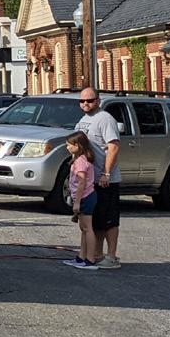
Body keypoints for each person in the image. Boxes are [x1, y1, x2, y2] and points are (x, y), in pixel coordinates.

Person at [77, 87, 121, 269]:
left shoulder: (105, 119)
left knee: (109, 220)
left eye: (90, 100)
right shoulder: (83, 120)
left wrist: (106, 173)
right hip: (91, 180)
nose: (85, 104)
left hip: (106, 179)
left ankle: (111, 256)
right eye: (82, 101)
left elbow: (114, 147)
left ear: (98, 100)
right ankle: (97, 254)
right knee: (97, 220)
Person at [61, 131, 99, 270]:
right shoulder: (79, 158)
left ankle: (90, 259)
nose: (67, 147)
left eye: (69, 145)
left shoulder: (81, 162)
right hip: (85, 196)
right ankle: (81, 257)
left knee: (87, 228)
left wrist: (76, 202)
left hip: (85, 197)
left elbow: (82, 182)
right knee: (83, 228)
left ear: (77, 145)